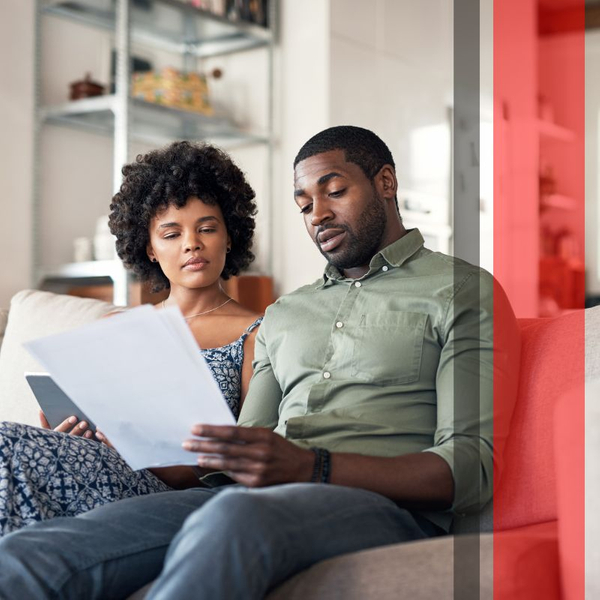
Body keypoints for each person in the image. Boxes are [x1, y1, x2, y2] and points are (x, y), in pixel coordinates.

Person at [0, 126, 521, 599]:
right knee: (38, 550)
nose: (317, 214)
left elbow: (470, 468)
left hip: (379, 506)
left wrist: (311, 466)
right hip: (248, 497)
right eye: (302, 204)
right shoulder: (286, 314)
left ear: (385, 182)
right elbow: (233, 457)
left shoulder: (461, 291)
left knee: (235, 516)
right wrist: (132, 432)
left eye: (334, 191)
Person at [0, 140, 262, 536]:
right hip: (100, 471)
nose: (192, 243)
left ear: (229, 236)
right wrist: (69, 436)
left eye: (207, 228)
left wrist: (143, 453)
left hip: (176, 497)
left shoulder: (257, 333)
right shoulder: (118, 330)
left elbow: (244, 467)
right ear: (150, 248)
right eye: (171, 234)